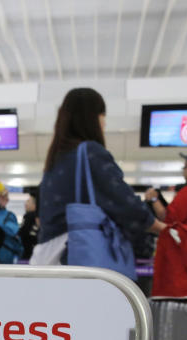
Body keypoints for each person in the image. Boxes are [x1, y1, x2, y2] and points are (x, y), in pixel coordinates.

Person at [34, 88, 164, 266]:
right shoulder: (90, 152)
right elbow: (123, 202)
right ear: (91, 118)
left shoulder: (54, 159)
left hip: (47, 256)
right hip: (78, 254)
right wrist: (160, 228)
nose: (104, 123)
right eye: (103, 115)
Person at [18, 189, 39, 260]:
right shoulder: (40, 217)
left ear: (34, 205)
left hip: (28, 254)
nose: (25, 204)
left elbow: (22, 232)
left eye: (28, 201)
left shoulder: (28, 216)